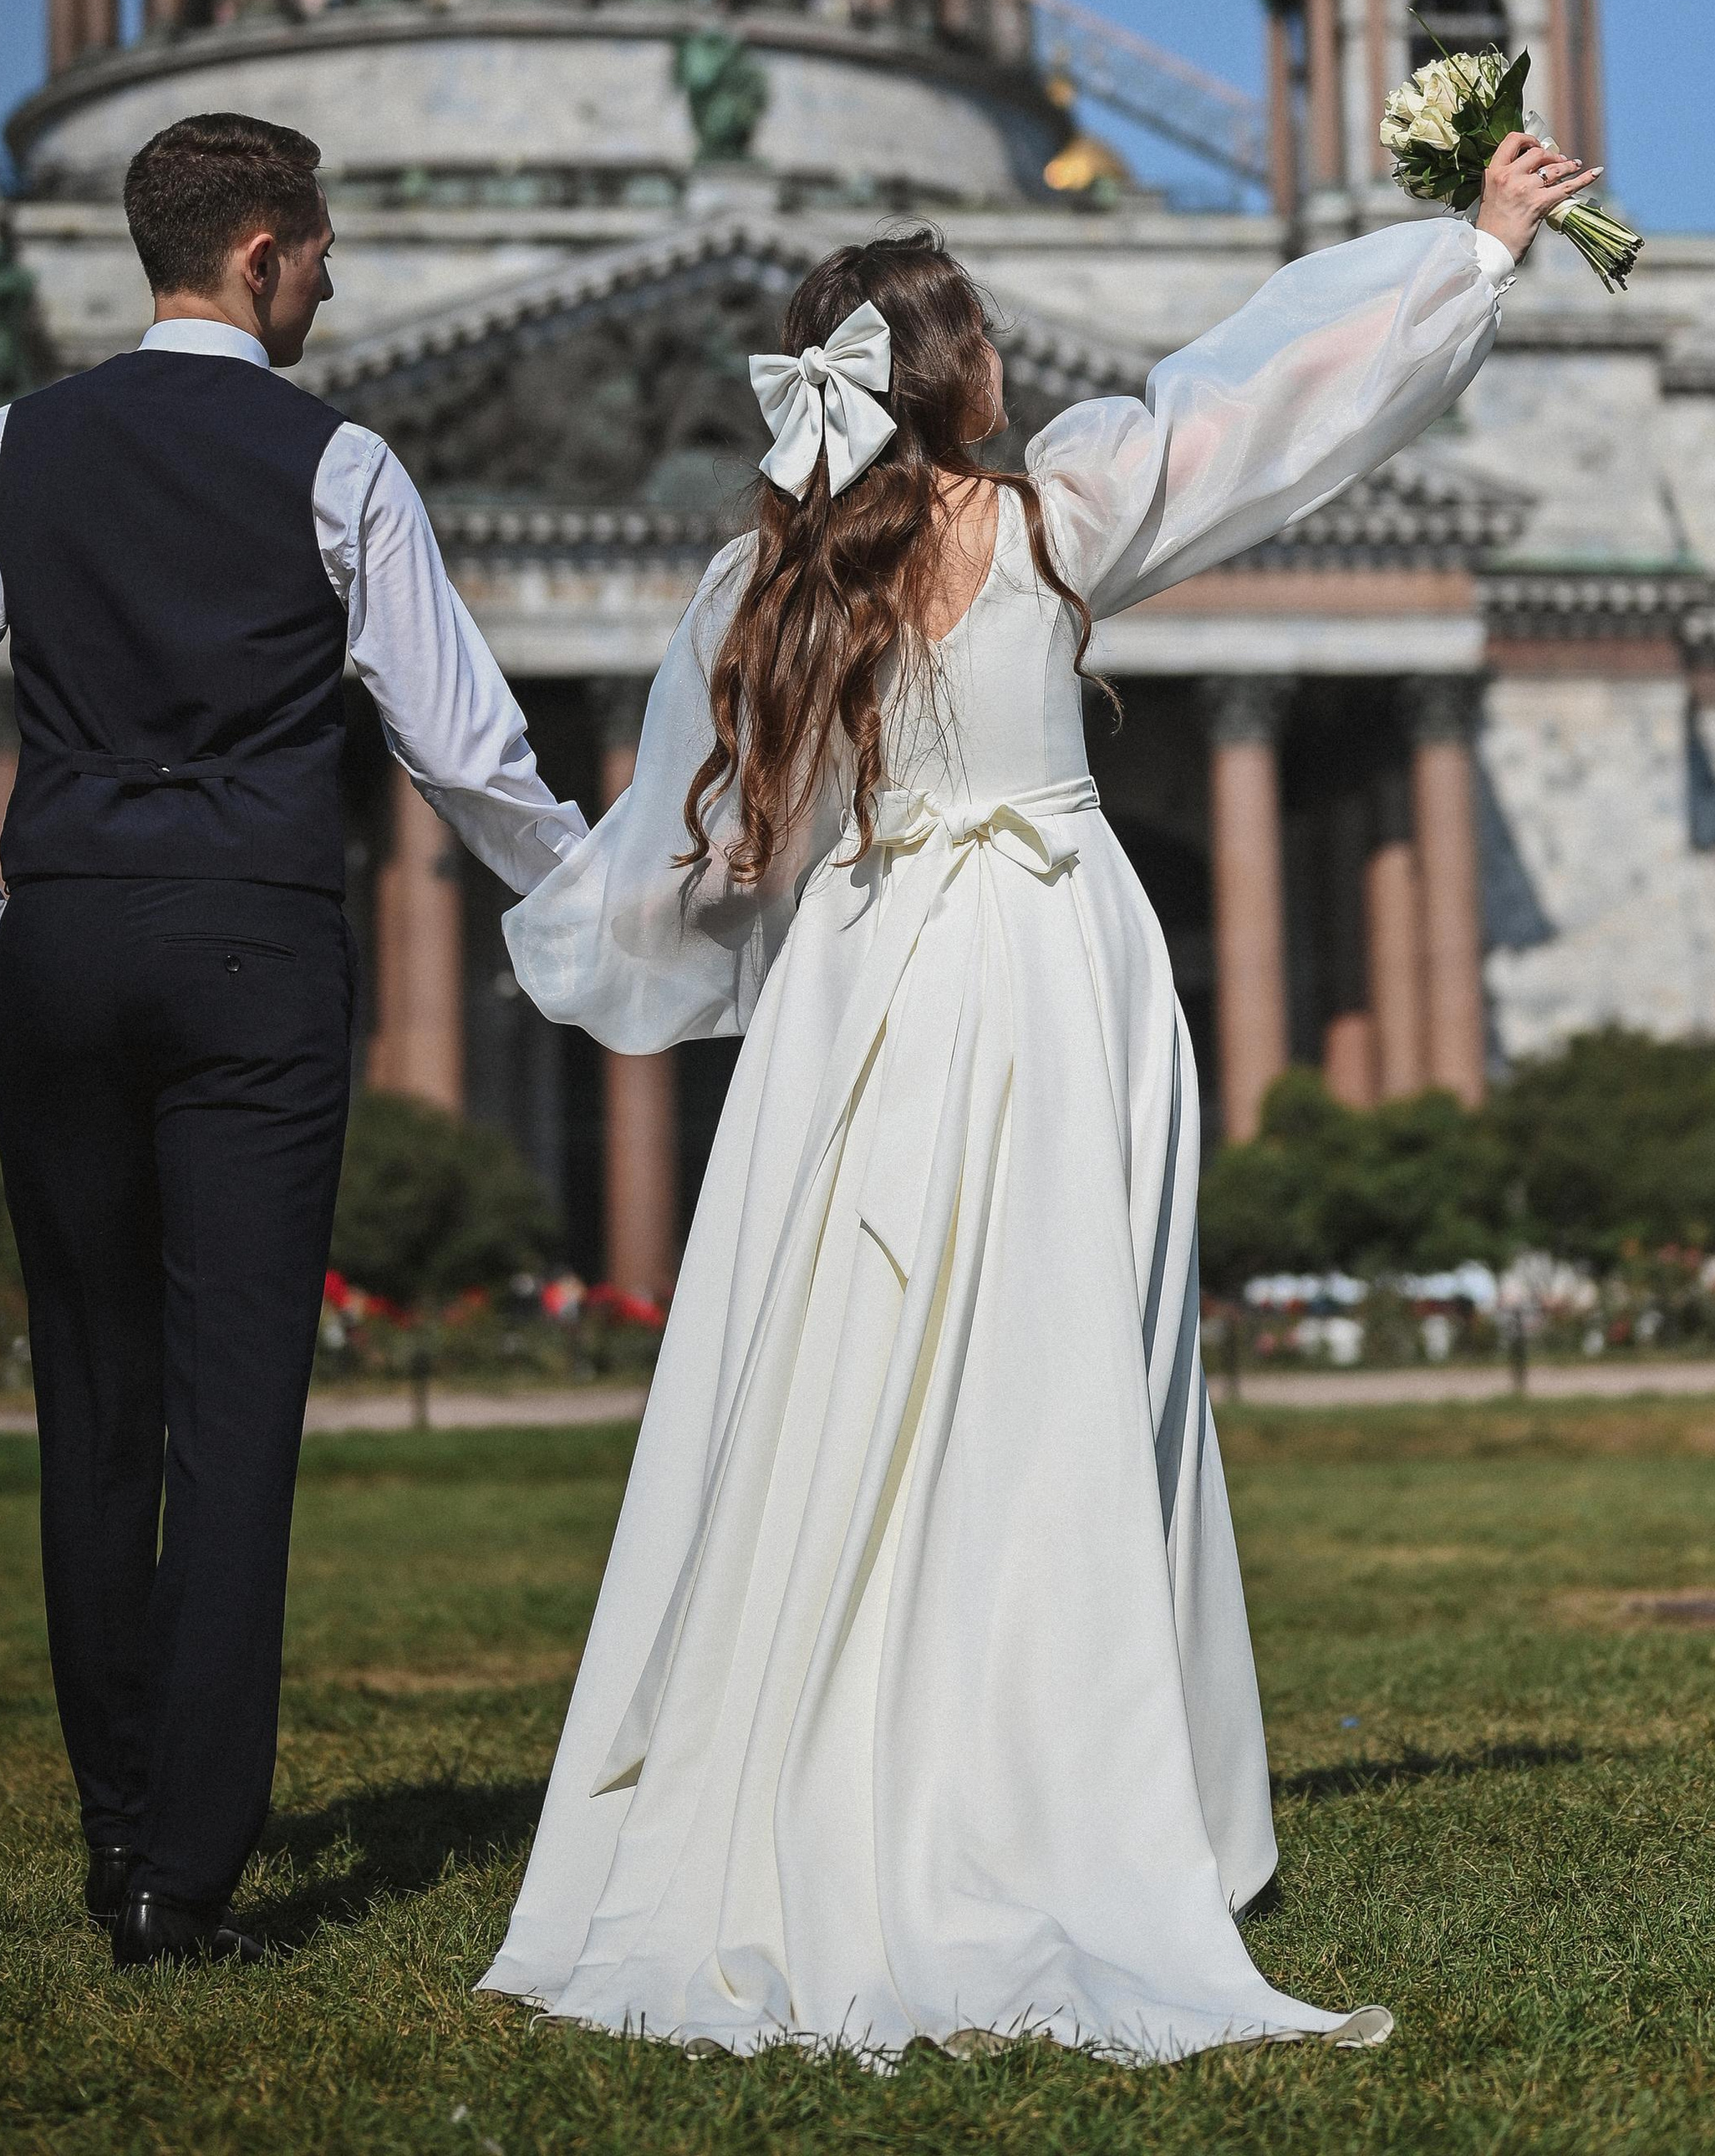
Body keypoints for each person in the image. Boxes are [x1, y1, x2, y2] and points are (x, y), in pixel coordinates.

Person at [480, 132, 1594, 2066]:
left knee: (837, 1362)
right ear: (956, 369)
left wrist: (640, 911)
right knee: (1071, 1360)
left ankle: (817, 1768)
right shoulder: (1056, 510)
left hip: (864, 983)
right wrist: (1469, 259)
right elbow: (1263, 407)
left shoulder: (774, 578)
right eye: (979, 332)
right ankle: (1072, 1791)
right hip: (1053, 965)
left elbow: (701, 851)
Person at [0, 114, 583, 1968]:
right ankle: (185, 1880)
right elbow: (462, 750)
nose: (332, 280)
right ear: (261, 253)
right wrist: (597, 905)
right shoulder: (338, 462)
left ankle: (117, 1826)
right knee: (235, 1412)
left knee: (94, 1402)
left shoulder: (7, 445)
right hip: (258, 945)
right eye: (321, 250)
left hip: (66, 935)